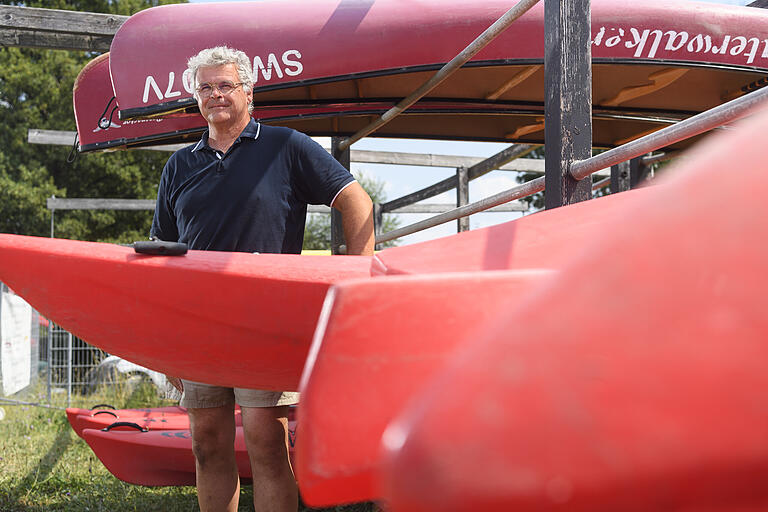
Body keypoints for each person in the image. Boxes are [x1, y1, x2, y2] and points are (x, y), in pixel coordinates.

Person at [150, 46, 375, 512]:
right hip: (197, 324)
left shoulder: (286, 146)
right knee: (206, 443)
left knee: (266, 444)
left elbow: (357, 204)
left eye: (226, 85)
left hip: (264, 322)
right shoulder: (178, 166)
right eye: (206, 87)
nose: (216, 95)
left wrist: (359, 284)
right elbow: (162, 256)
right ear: (196, 97)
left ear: (249, 92)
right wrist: (165, 340)